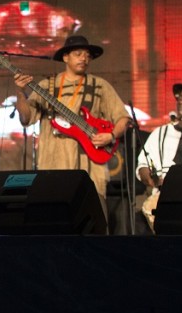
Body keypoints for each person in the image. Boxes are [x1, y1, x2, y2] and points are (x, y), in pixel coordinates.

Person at [13, 35, 129, 198]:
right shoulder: (47, 86)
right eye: (78, 54)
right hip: (53, 165)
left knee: (93, 217)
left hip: (89, 168)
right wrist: (20, 92)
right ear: (65, 57)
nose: (84, 58)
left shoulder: (100, 85)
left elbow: (123, 118)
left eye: (88, 55)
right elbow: (26, 118)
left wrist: (111, 136)